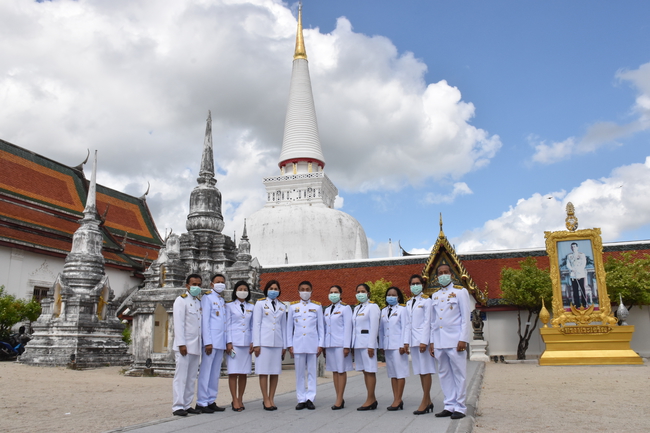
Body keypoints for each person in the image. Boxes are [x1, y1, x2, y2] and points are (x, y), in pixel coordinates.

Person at [429, 264, 471, 420]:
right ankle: (449, 405)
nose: (443, 275)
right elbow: (434, 322)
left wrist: (463, 339)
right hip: (440, 341)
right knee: (444, 373)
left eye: (446, 272)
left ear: (452, 275)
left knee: (459, 374)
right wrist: (432, 342)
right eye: (440, 273)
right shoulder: (435, 296)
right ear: (437, 276)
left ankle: (460, 407)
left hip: (455, 341)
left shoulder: (460, 292)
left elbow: (466, 318)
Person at [286, 281, 324, 410]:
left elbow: (321, 328)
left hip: (312, 344)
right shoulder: (292, 307)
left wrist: (321, 344)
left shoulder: (317, 307)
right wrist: (289, 344)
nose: (305, 291)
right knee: (300, 373)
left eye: (307, 289)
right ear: (298, 291)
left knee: (312, 372)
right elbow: (289, 328)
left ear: (311, 291)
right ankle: (301, 398)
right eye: (302, 289)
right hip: (298, 344)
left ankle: (310, 398)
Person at [172, 273, 203, 417]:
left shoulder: (198, 302)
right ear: (187, 286)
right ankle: (178, 405)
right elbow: (178, 324)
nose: (196, 287)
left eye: (198, 285)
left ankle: (187, 404)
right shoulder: (181, 300)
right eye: (194, 284)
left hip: (196, 345)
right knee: (181, 376)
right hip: (184, 345)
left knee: (191, 377)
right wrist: (181, 344)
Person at [252, 280, 287, 411]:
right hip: (264, 343)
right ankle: (265, 398)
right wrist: (256, 344)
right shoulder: (260, 304)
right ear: (266, 290)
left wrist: (284, 346)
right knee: (263, 372)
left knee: (274, 372)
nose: (273, 290)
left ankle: (272, 398)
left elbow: (283, 326)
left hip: (277, 343)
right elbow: (256, 325)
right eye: (271, 288)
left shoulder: (282, 306)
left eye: (276, 288)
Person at [196, 274, 228, 413]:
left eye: (222, 282)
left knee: (215, 373)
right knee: (206, 372)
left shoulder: (222, 300)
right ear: (211, 284)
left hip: (220, 341)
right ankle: (201, 402)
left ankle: (211, 399)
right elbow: (205, 322)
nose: (220, 284)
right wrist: (207, 342)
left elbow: (224, 323)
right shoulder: (207, 298)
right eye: (218, 282)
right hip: (211, 342)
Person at [406, 274, 436, 415]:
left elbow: (428, 321)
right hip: (413, 341)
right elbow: (407, 324)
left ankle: (424, 401)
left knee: (426, 371)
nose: (415, 286)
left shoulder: (426, 301)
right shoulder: (408, 302)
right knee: (420, 371)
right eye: (413, 283)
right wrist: (406, 342)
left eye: (417, 283)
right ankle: (428, 400)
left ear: (422, 285)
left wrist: (424, 341)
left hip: (422, 341)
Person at [378, 286, 410, 411]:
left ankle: (398, 399)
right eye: (389, 295)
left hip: (398, 345)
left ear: (398, 297)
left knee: (400, 373)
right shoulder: (383, 311)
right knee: (392, 373)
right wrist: (381, 345)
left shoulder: (402, 310)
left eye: (393, 295)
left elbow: (405, 327)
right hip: (388, 345)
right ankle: (395, 398)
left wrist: (404, 343)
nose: (391, 297)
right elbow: (381, 330)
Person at [225, 280, 255, 412]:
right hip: (234, 344)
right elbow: (227, 325)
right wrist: (228, 342)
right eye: (240, 289)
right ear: (235, 290)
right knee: (233, 373)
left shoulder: (252, 307)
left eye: (245, 289)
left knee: (243, 373)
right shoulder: (229, 306)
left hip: (246, 344)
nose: (242, 291)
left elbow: (253, 326)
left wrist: (253, 341)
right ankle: (234, 399)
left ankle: (241, 398)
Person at [323, 285, 353, 410]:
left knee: (341, 371)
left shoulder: (345, 308)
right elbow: (325, 329)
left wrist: (347, 346)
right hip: (330, 344)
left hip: (341, 344)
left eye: (336, 292)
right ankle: (338, 396)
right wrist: (324, 346)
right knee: (335, 371)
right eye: (331, 292)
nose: (333, 294)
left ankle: (340, 398)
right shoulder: (327, 309)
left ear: (341, 294)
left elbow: (348, 328)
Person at [352, 283, 380, 411]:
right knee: (365, 371)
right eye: (358, 291)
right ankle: (372, 398)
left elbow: (374, 327)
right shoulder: (357, 308)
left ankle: (370, 399)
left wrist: (371, 346)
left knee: (370, 370)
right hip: (358, 344)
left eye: (363, 291)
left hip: (367, 344)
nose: (360, 293)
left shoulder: (372, 307)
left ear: (368, 293)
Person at [566, 242, 588, 307]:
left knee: (582, 289)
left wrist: (578, 271)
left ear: (577, 247)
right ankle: (577, 304)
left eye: (574, 246)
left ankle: (584, 304)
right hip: (573, 275)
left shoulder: (582, 255)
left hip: (580, 274)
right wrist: (572, 269)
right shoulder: (569, 256)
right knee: (575, 290)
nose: (573, 248)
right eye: (572, 247)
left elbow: (583, 264)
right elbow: (568, 264)